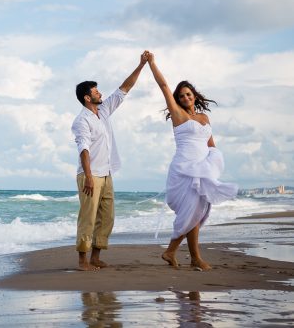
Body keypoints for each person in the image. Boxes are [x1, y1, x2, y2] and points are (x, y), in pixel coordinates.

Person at [146, 52, 238, 271]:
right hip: (183, 170)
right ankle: (187, 256)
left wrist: (212, 166)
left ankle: (175, 253)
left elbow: (211, 145)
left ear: (194, 96)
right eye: (181, 96)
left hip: (202, 170)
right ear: (177, 100)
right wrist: (151, 63)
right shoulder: (178, 115)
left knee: (197, 212)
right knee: (191, 212)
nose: (185, 98)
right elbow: (164, 86)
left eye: (188, 94)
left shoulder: (204, 119)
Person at [72, 52, 149, 271]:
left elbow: (124, 88)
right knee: (88, 217)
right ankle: (82, 261)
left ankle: (96, 257)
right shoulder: (81, 121)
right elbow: (83, 149)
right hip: (90, 175)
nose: (100, 93)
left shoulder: (103, 111)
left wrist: (141, 65)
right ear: (87, 97)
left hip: (106, 174)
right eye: (96, 91)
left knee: (107, 217)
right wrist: (88, 176)